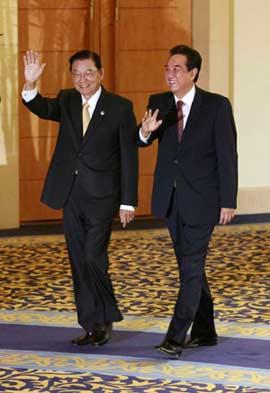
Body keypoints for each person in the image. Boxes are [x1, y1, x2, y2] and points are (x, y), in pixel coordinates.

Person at [22, 49, 138, 346]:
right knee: (78, 260)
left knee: (92, 256)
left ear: (101, 73)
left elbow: (129, 156)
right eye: (76, 73)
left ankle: (106, 315)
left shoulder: (119, 107)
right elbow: (40, 107)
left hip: (102, 196)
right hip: (71, 193)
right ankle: (91, 324)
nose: (82, 79)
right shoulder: (67, 99)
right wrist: (30, 83)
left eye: (88, 73)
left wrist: (128, 201)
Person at [139, 45, 238, 358]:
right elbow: (140, 139)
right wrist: (144, 132)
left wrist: (228, 200)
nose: (169, 74)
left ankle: (175, 336)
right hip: (170, 199)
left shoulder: (217, 106)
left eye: (176, 69)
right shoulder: (158, 103)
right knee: (190, 267)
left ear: (193, 73)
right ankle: (206, 331)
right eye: (167, 68)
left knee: (192, 266)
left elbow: (227, 156)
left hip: (203, 200)